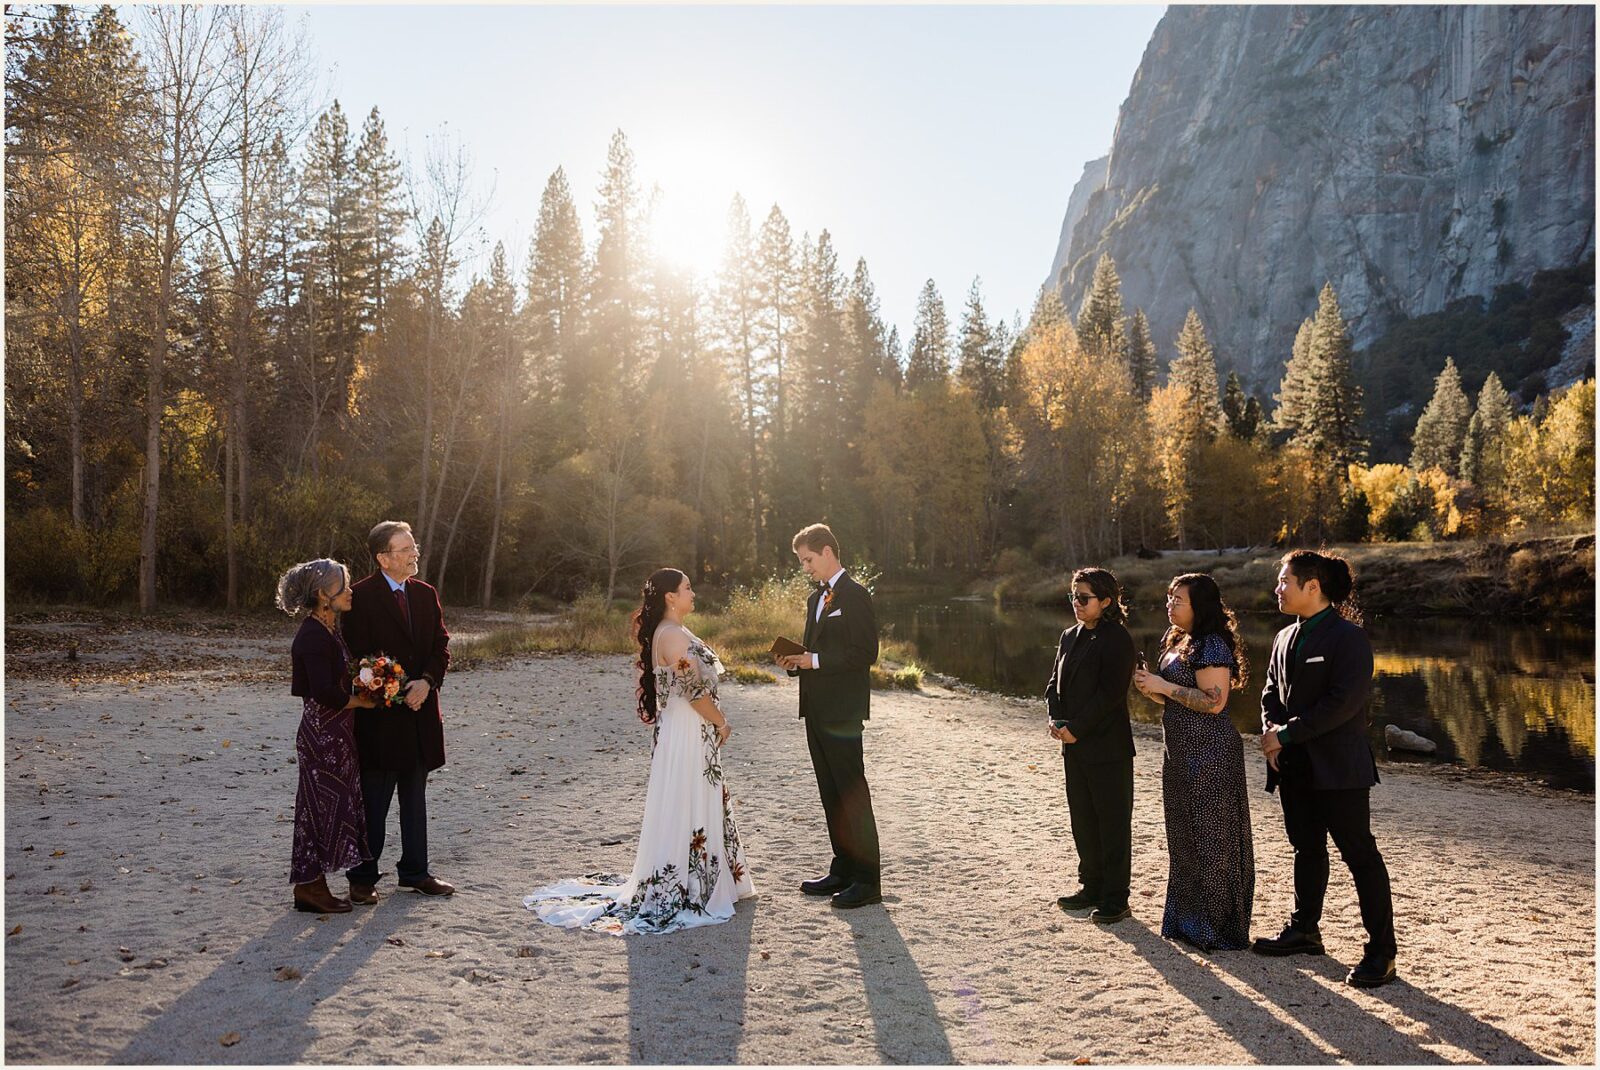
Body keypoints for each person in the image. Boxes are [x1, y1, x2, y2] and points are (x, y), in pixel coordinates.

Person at [524, 568, 755, 933]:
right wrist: (722, 722)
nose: (693, 593)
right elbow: (693, 691)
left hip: (685, 728)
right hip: (687, 728)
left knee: (692, 797)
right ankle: (691, 886)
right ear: (670, 596)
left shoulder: (670, 632)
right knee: (688, 798)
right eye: (687, 588)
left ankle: (709, 878)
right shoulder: (674, 636)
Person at [1254, 549, 1397, 988]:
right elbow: (1269, 694)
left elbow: (1342, 705)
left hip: (1339, 768)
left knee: (1360, 856)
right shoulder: (1283, 637)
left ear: (1312, 586)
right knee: (1306, 849)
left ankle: (1382, 953)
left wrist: (1286, 735)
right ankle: (1305, 930)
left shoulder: (1348, 639)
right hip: (1294, 767)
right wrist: (1271, 732)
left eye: (1284, 581)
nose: (1278, 588)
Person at [1133, 573, 1254, 950]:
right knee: (1183, 837)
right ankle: (1186, 921)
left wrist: (1163, 686)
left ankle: (1216, 929)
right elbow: (1174, 699)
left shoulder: (1211, 644)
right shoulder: (1177, 641)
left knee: (1212, 840)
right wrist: (1150, 687)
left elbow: (1214, 701)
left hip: (1211, 752)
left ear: (1198, 606)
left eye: (1178, 600)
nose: (1170, 604)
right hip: (1179, 751)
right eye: (1169, 598)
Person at [342, 521, 454, 902]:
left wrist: (427, 681)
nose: (414, 554)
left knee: (415, 797)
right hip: (380, 719)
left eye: (414, 547)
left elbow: (442, 646)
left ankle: (415, 872)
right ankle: (362, 875)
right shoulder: (359, 597)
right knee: (373, 800)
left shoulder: (425, 594)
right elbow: (356, 657)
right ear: (383, 557)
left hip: (421, 714)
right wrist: (391, 688)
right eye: (405, 549)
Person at [774, 523, 882, 909]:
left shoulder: (856, 595)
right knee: (830, 792)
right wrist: (796, 661)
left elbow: (866, 652)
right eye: (802, 561)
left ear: (827, 552)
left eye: (808, 560)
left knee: (852, 792)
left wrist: (813, 660)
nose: (806, 568)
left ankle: (868, 881)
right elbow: (812, 652)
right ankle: (843, 868)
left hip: (845, 709)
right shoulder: (813, 599)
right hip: (815, 708)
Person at [278, 558, 375, 914]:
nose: (350, 592)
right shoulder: (312, 636)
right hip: (323, 734)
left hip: (337, 732)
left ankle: (311, 886)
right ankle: (310, 887)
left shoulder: (330, 628)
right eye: (343, 586)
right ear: (323, 595)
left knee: (327, 807)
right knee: (318, 810)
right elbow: (323, 691)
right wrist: (361, 703)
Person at [1046, 567, 1138, 924]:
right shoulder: (1069, 635)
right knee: (1082, 819)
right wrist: (1055, 720)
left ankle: (1116, 898)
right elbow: (1054, 684)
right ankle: (1091, 887)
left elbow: (1110, 695)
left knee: (1112, 823)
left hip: (1108, 748)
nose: (1077, 604)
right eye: (1073, 597)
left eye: (1084, 598)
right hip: (1073, 745)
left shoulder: (1118, 638)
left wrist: (1079, 728)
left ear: (1106, 601)